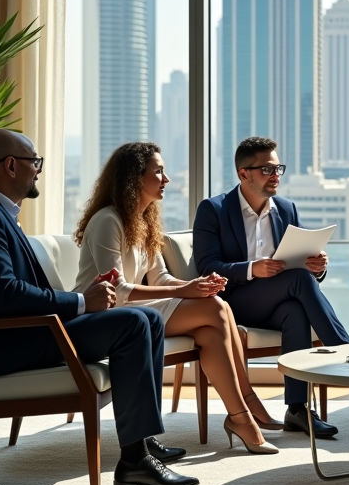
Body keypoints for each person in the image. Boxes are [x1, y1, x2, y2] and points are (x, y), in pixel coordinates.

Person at [0, 130, 198, 485]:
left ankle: (140, 445)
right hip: (11, 343)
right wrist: (81, 302)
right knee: (134, 322)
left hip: (29, 331)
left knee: (149, 318)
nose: (38, 171)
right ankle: (134, 463)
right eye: (35, 162)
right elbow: (5, 294)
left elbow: (12, 291)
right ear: (11, 166)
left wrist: (84, 300)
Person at [74, 142, 279, 455]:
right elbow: (118, 292)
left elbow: (160, 279)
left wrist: (195, 284)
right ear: (133, 178)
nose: (166, 179)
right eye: (158, 171)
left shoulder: (142, 222)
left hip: (137, 311)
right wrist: (183, 291)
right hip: (104, 316)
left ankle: (241, 416)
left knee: (212, 324)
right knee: (215, 308)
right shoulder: (107, 221)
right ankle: (246, 408)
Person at [193, 136, 349, 438]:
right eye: (267, 169)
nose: (276, 175)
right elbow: (207, 267)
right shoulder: (213, 209)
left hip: (276, 300)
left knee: (295, 310)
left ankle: (297, 409)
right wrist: (254, 269)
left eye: (278, 168)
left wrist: (316, 266)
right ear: (244, 174)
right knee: (299, 283)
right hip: (230, 305)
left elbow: (296, 262)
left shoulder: (286, 209)